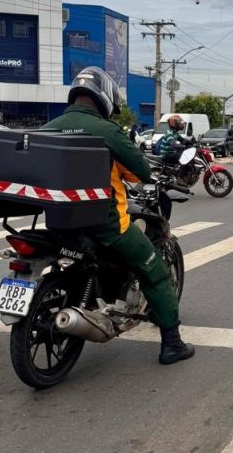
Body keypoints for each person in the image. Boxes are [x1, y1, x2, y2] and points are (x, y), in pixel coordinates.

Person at [41, 66, 195, 365]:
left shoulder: (50, 126)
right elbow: (140, 170)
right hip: (108, 228)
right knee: (157, 273)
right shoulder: (108, 131)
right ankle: (172, 344)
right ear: (104, 98)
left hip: (59, 225)